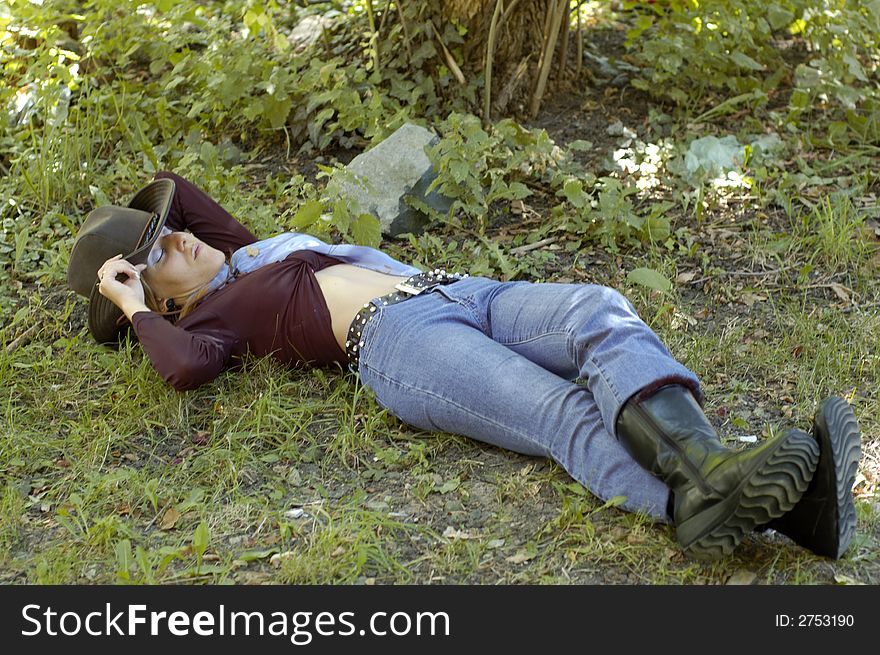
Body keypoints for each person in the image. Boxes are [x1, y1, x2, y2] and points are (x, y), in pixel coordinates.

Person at [67, 172, 862, 561]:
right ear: (156, 298)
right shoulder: (202, 322)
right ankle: (739, 506)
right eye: (157, 254)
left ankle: (718, 473)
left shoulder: (243, 258)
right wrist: (125, 299)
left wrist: (152, 219)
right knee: (561, 412)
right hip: (399, 344)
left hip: (457, 291)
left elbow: (189, 197)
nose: (178, 241)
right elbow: (179, 372)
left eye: (168, 233)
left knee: (597, 308)